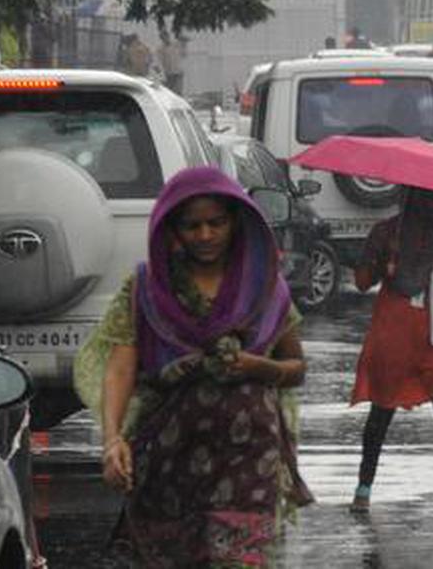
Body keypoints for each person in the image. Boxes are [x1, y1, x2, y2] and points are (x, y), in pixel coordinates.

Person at [89, 166, 313, 566]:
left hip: (250, 458)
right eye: (193, 226)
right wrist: (112, 439)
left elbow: (295, 367)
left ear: (235, 222)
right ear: (172, 229)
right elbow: (121, 367)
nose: (206, 235)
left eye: (216, 223)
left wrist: (257, 367)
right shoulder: (145, 289)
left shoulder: (264, 287)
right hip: (169, 458)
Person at [349, 187, 433, 517]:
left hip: (404, 330)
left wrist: (380, 259)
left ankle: (363, 492)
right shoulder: (431, 234)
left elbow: (363, 281)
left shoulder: (394, 233)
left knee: (386, 411)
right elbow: (364, 280)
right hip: (431, 331)